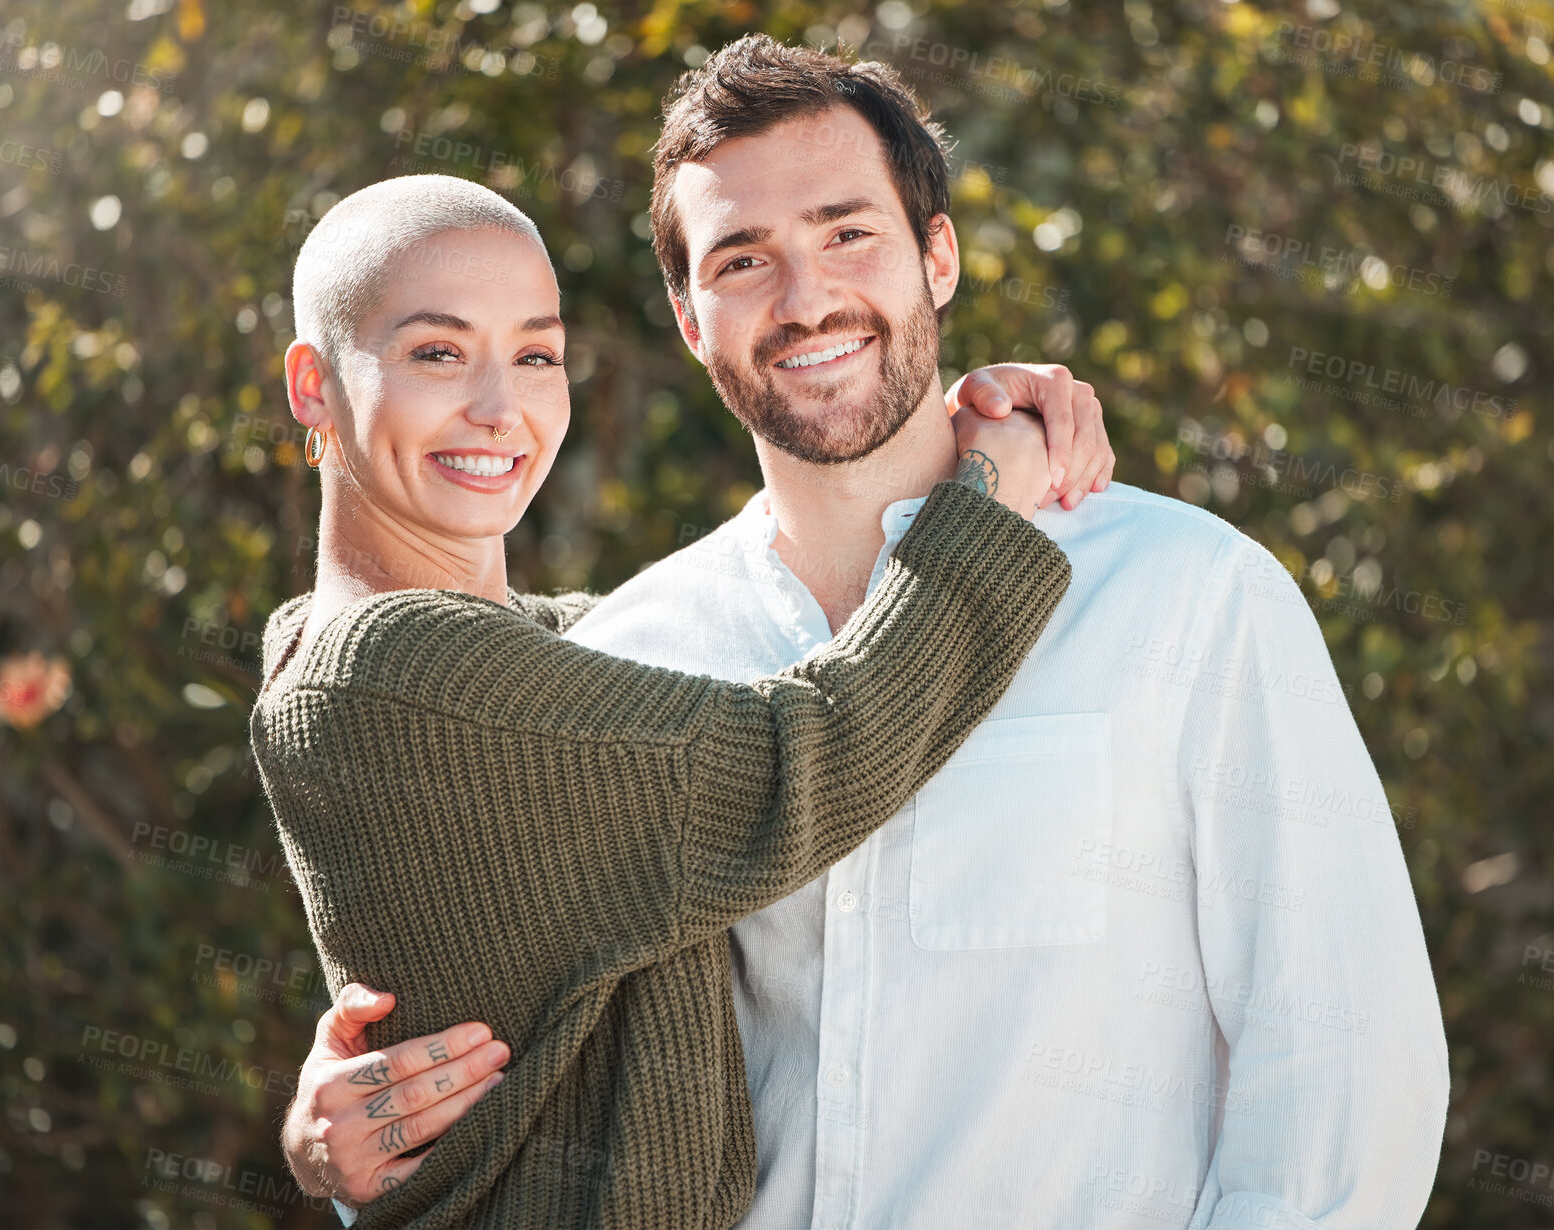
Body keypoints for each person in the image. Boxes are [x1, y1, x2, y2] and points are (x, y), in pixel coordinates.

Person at [290, 36, 1450, 1230]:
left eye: (847, 233)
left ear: (935, 257)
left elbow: (1342, 1063)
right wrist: (347, 1142)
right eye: (743, 260)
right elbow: (526, 1075)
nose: (806, 300)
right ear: (690, 320)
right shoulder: (628, 651)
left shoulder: (1187, 598)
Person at [251, 172, 1096, 1227]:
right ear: (312, 385)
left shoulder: (375, 652)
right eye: (435, 352)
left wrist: (911, 407)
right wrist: (986, 497)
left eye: (535, 354)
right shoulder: (397, 667)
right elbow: (808, 752)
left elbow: (678, 635)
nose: (497, 407)